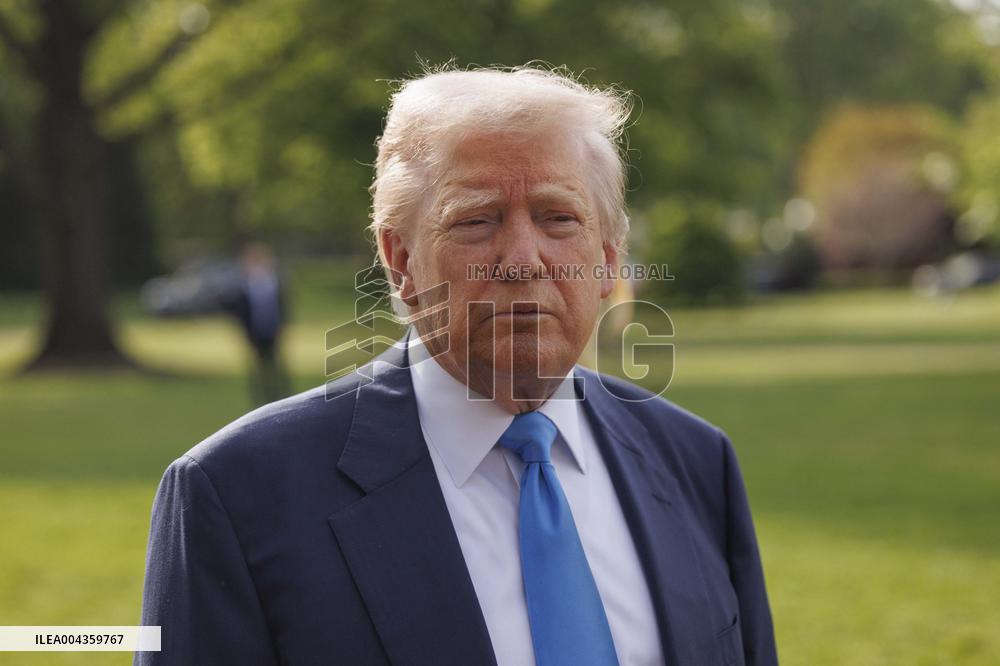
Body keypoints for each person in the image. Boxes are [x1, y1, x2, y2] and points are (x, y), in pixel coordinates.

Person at [135, 66, 777, 666]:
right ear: (400, 259)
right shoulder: (236, 496)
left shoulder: (696, 463)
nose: (522, 259)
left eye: (559, 218)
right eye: (476, 220)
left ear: (609, 259)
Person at [226, 242, 291, 405]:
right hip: (255, 332)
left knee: (276, 364)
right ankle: (261, 399)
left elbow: (282, 307)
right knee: (258, 367)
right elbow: (240, 311)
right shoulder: (246, 285)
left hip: (272, 330)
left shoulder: (273, 282)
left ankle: (280, 396)